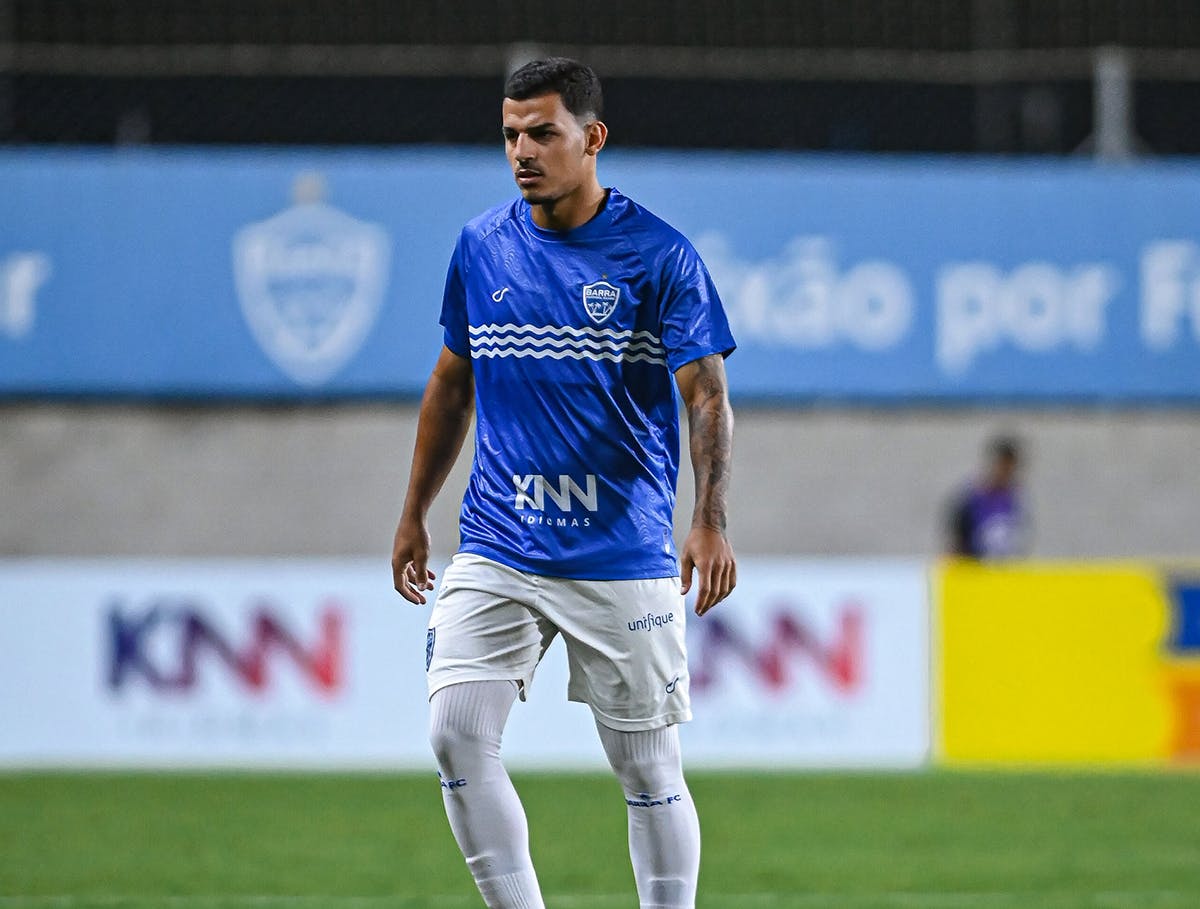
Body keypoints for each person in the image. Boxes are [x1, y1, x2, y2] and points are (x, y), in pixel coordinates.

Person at [390, 58, 737, 909]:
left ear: (593, 139)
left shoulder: (659, 256)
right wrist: (413, 512)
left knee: (647, 764)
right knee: (456, 732)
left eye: (543, 132)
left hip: (618, 550)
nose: (523, 151)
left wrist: (710, 517)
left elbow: (707, 393)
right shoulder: (481, 246)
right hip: (500, 541)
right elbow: (451, 383)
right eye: (511, 133)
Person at [946, 435, 1026, 559]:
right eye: (1003, 467)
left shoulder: (1016, 500)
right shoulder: (972, 499)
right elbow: (957, 540)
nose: (1006, 473)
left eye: (1010, 469)